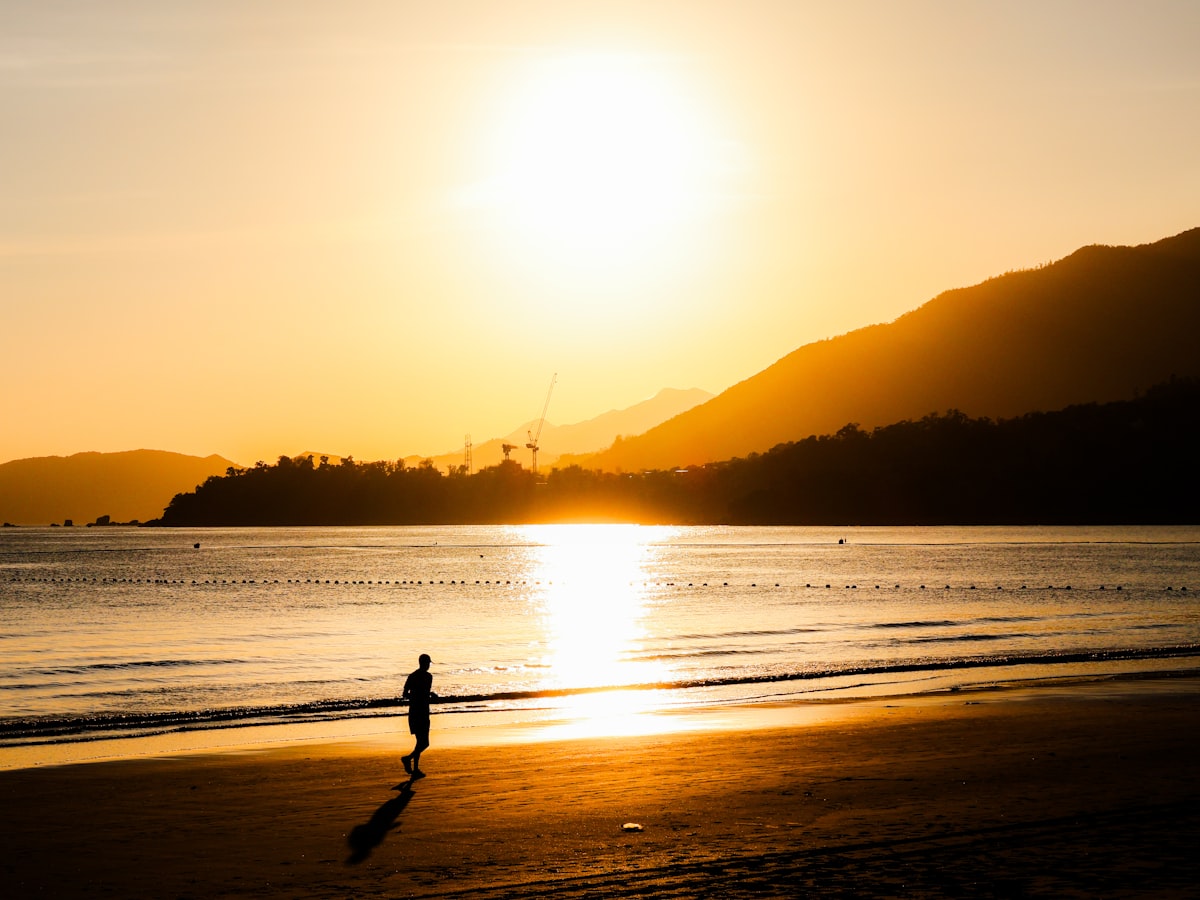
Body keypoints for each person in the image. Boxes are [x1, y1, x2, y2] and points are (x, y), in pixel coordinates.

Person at [401, 653, 434, 778]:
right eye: (428, 663)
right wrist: (428, 695)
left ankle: (415, 769)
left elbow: (405, 694)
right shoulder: (428, 677)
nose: (429, 666)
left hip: (414, 712)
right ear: (424, 663)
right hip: (422, 712)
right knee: (424, 743)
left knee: (420, 742)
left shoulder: (412, 676)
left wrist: (416, 697)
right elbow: (424, 694)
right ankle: (408, 759)